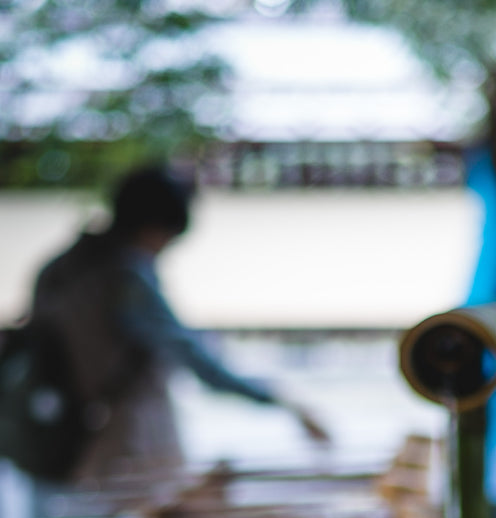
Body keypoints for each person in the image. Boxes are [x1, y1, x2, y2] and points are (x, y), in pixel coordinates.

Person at [30, 163, 329, 484]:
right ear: (154, 228)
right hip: (127, 446)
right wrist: (281, 400)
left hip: (58, 441)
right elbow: (196, 359)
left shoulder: (59, 270)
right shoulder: (127, 278)